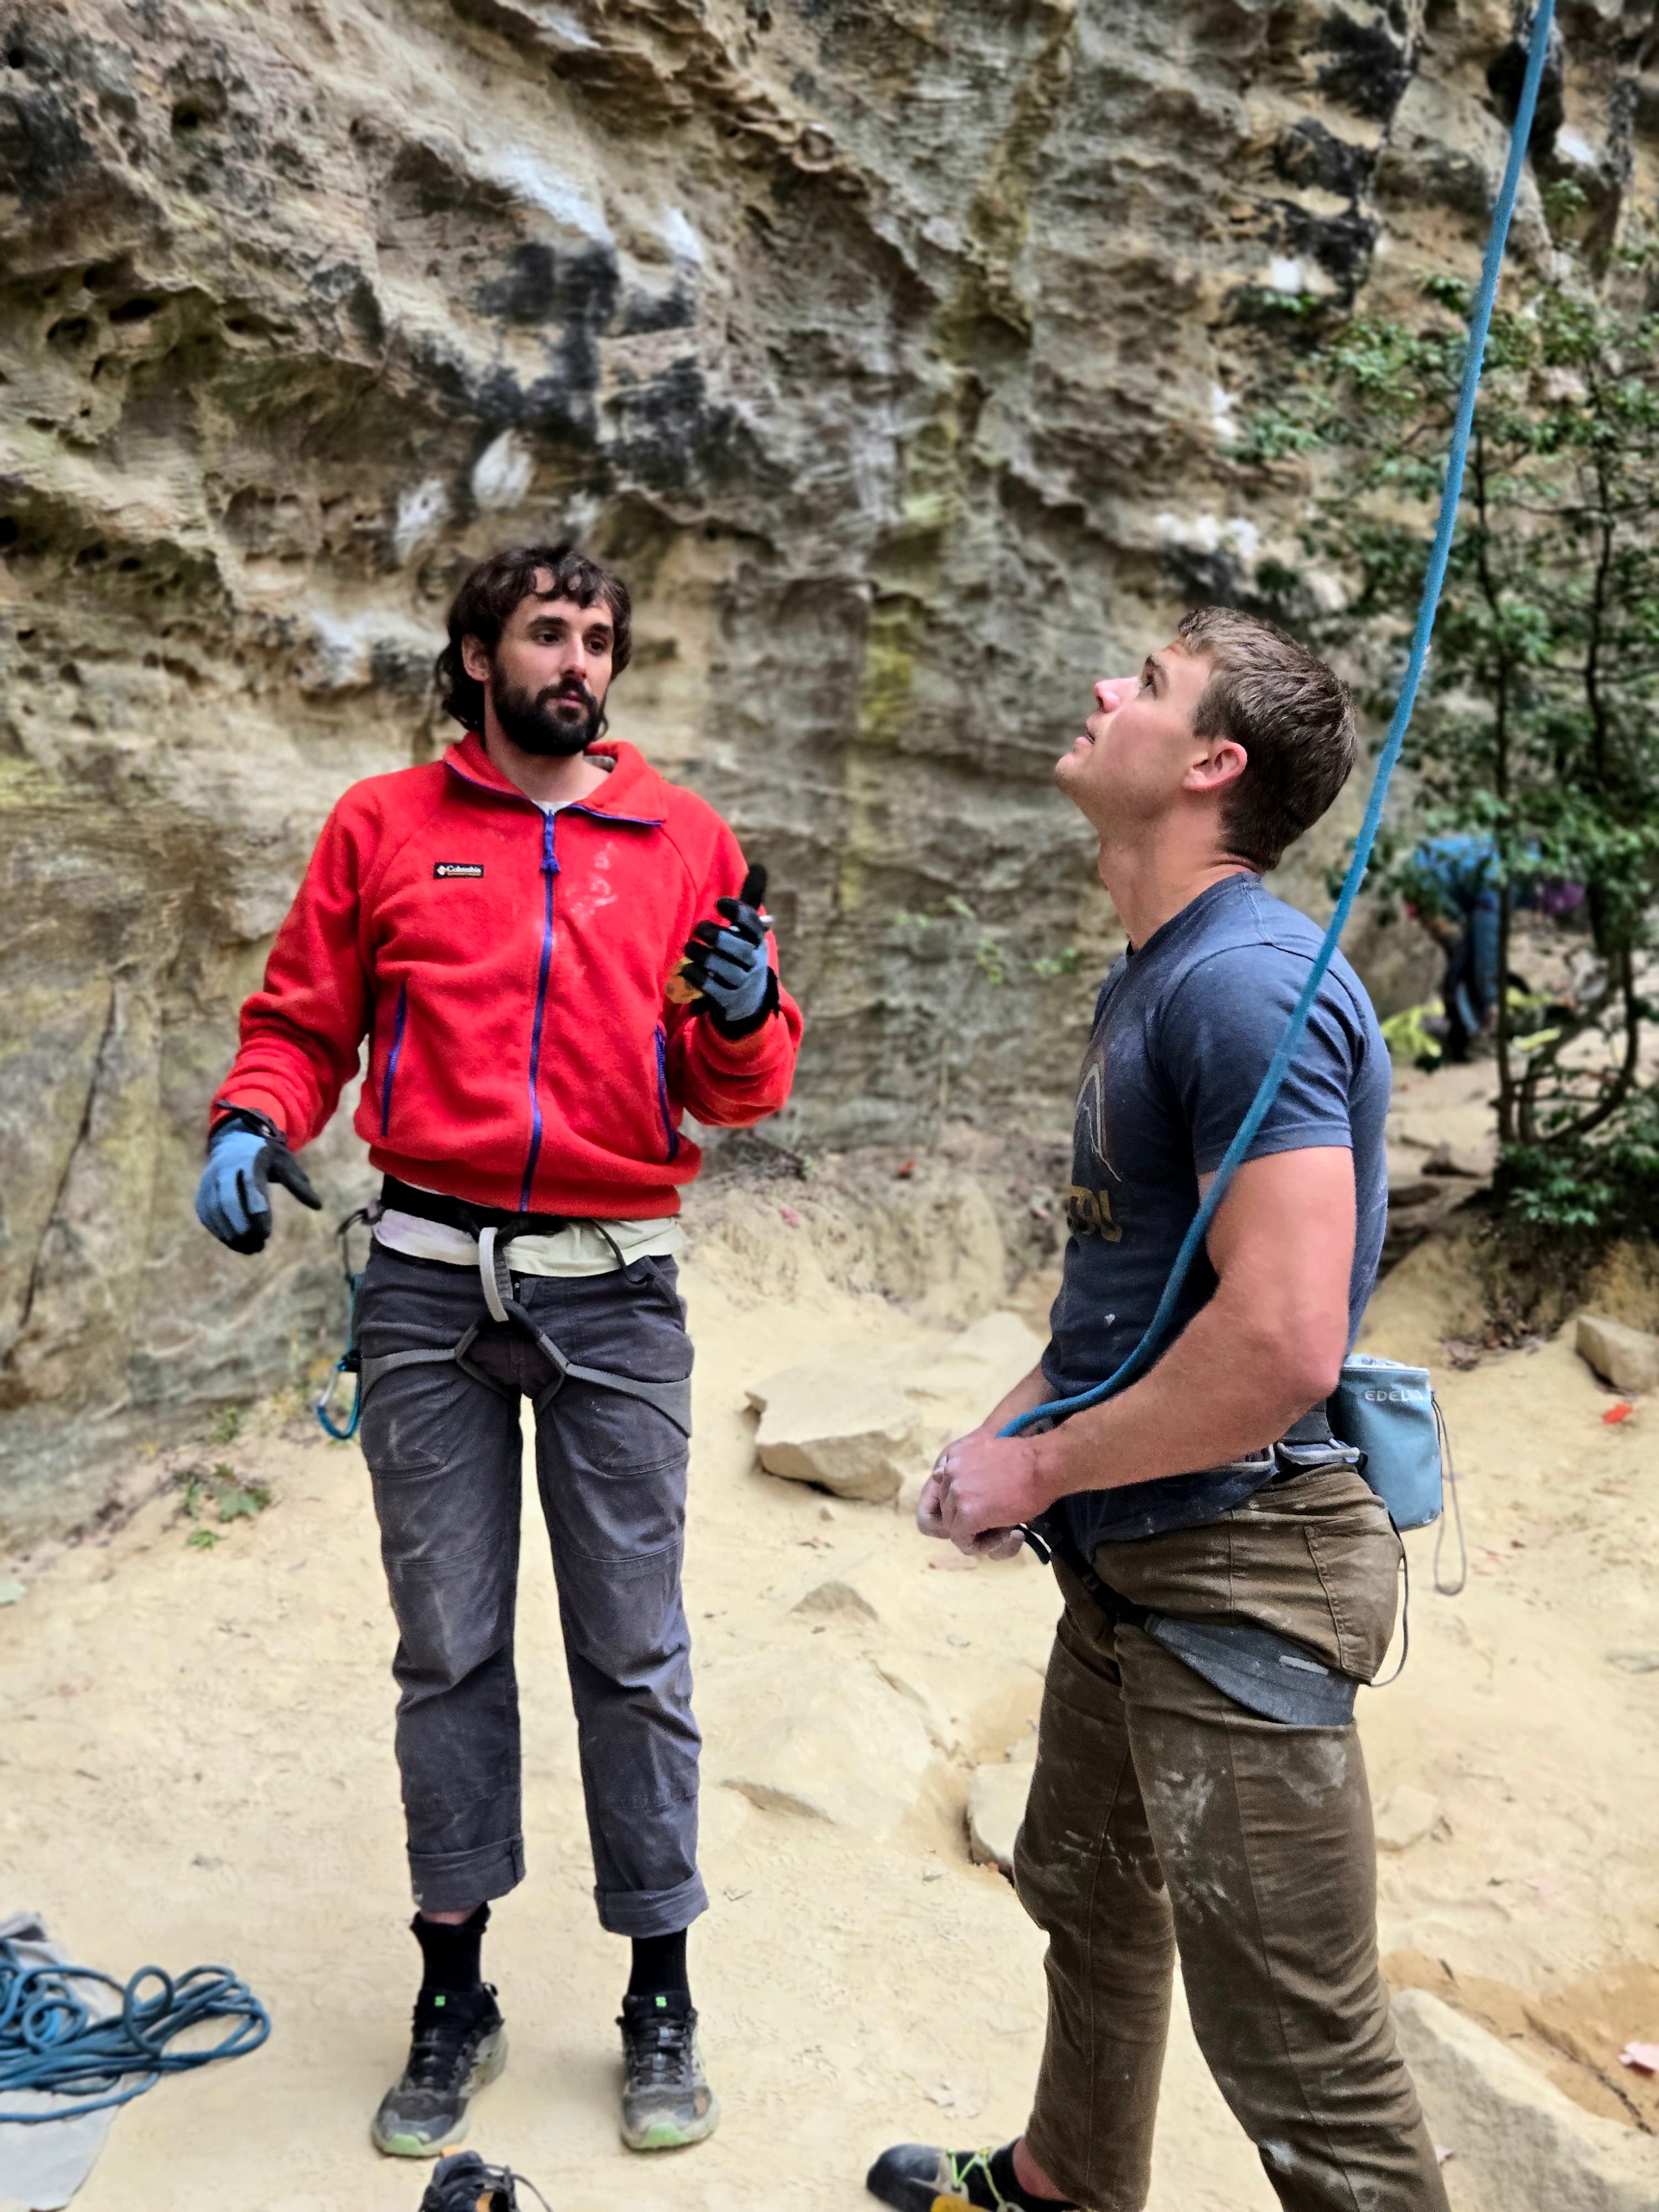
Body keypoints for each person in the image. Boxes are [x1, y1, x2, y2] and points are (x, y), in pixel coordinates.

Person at [194, 543, 801, 2162]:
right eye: (548, 632)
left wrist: (743, 1013)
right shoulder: (383, 830)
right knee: (448, 1647)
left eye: (599, 637)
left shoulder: (682, 842)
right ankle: (453, 1992)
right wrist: (253, 1121)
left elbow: (739, 1089)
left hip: (615, 1291)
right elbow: (306, 1017)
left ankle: (657, 1988)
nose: (578, 660)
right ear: (475, 657)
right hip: (425, 1283)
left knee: (632, 1648)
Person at [868, 608, 1451, 2212]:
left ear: (1210, 764)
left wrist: (1043, 1466)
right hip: (1144, 1555)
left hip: (1245, 1570)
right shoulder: (1165, 975)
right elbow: (1140, 1303)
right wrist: (1010, 1459)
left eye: (1147, 681)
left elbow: (1276, 1345)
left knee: (1305, 2064)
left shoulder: (1244, 988)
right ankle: (1064, 2181)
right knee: (1094, 1902)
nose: (1102, 689)